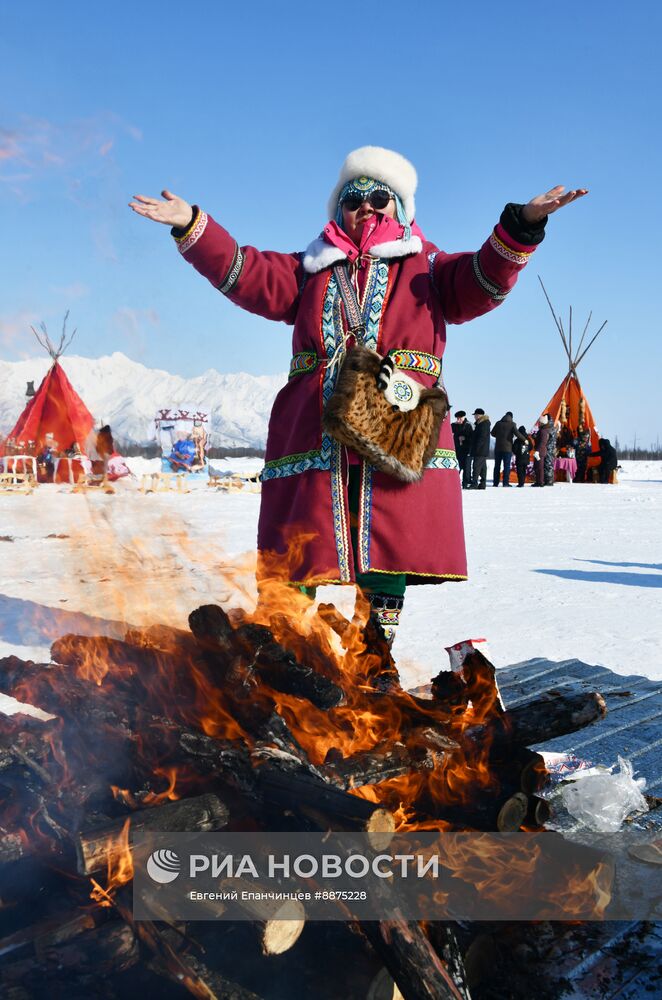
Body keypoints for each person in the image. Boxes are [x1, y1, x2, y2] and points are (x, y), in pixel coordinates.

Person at [129, 148, 586, 648]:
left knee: (386, 535)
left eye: (378, 197)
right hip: (314, 423)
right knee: (299, 534)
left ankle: (375, 651)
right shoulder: (310, 267)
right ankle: (286, 644)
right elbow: (247, 273)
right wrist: (195, 226)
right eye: (353, 198)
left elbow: (483, 278)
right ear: (338, 210)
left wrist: (521, 225)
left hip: (394, 416)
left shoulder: (428, 267)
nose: (365, 206)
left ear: (401, 207)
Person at [491, 411, 526, 487]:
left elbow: (492, 433)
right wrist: (524, 439)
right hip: (507, 449)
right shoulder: (512, 424)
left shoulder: (498, 423)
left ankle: (495, 483)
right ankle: (505, 483)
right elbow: (517, 434)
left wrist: (499, 436)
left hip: (498, 448)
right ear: (511, 417)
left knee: (497, 466)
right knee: (506, 466)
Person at [469, 408, 491, 490]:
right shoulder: (481, 424)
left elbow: (482, 437)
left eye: (475, 415)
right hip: (482, 450)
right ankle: (482, 484)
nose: (474, 416)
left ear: (479, 415)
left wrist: (476, 448)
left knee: (476, 467)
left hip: (480, 450)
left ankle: (474, 483)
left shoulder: (484, 424)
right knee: (482, 468)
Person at [451, 410, 473, 489]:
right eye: (457, 418)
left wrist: (465, 438)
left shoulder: (468, 425)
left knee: (467, 468)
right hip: (457, 450)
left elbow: (472, 438)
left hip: (467, 450)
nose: (458, 420)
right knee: (457, 467)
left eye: (460, 418)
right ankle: (454, 482)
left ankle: (465, 483)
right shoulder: (454, 425)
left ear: (463, 418)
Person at [532, 415, 550, 487]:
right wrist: (535, 437)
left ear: (542, 422)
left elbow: (542, 442)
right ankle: (538, 481)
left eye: (539, 422)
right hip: (540, 451)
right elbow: (540, 440)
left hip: (540, 451)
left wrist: (537, 451)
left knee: (539, 467)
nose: (538, 423)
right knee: (537, 467)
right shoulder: (543, 430)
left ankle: (540, 482)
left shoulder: (543, 431)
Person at [544, 417, 559, 486]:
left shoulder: (548, 430)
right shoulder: (554, 429)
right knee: (551, 465)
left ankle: (548, 481)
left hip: (548, 449)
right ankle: (550, 480)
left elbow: (545, 439)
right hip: (553, 449)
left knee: (548, 465)